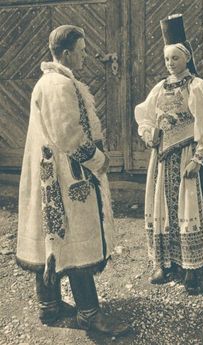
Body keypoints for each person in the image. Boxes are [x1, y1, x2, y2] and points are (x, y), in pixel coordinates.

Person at [16, 25, 129, 336]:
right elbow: (70, 136)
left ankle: (49, 307)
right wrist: (98, 160)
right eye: (80, 51)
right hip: (65, 175)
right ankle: (90, 314)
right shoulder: (57, 85)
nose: (83, 57)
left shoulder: (53, 81)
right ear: (65, 54)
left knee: (49, 235)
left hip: (50, 171)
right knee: (78, 238)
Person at [135, 14, 203, 293]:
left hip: (186, 155)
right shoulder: (160, 88)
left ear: (185, 58)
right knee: (162, 207)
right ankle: (163, 263)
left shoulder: (196, 87)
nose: (170, 64)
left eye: (175, 59)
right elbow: (146, 115)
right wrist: (149, 131)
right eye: (166, 60)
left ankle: (192, 267)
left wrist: (199, 158)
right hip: (162, 158)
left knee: (188, 208)